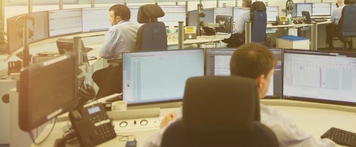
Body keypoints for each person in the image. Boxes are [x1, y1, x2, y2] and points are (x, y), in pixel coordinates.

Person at [144, 44, 337, 147]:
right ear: (261, 82)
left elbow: (150, 145)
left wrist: (167, 127)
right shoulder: (277, 124)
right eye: (271, 77)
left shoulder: (188, 116)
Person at [93, 4, 140, 97]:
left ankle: (111, 97)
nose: (109, 20)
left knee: (96, 75)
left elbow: (104, 54)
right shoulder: (138, 26)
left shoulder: (116, 29)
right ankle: (118, 95)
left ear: (117, 19)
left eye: (110, 17)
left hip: (121, 69)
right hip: (135, 67)